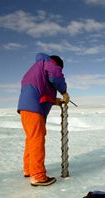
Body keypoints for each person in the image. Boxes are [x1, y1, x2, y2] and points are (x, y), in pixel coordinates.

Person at [17, 53, 69, 186]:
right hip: (34, 108)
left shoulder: (35, 69)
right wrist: (64, 92)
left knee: (31, 139)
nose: (59, 71)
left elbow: (40, 90)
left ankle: (29, 169)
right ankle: (38, 176)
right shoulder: (49, 63)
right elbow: (55, 76)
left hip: (26, 108)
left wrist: (55, 101)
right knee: (37, 139)